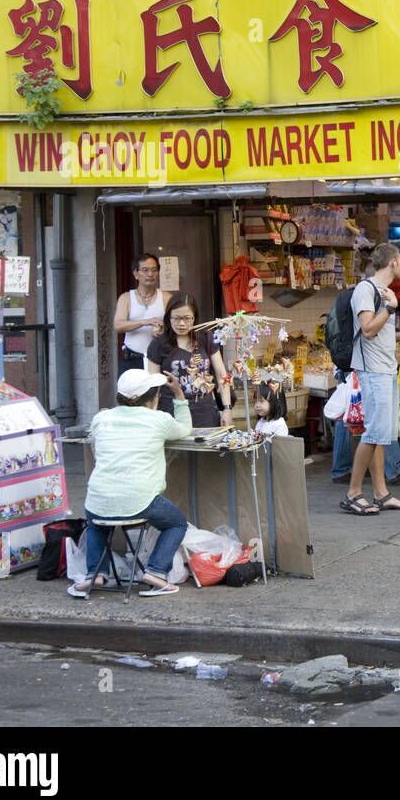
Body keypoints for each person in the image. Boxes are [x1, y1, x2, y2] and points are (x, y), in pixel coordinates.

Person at [68, 370, 190, 598]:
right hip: (140, 499)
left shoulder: (101, 419)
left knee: (96, 524)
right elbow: (185, 429)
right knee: (177, 523)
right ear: (153, 397)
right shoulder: (159, 420)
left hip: (98, 498)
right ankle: (156, 572)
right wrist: (179, 395)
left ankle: (95, 574)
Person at [344, 243, 400, 516]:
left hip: (385, 368)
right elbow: (366, 329)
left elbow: (382, 335)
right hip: (373, 371)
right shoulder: (366, 290)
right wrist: (390, 308)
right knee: (374, 432)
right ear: (392, 263)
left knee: (380, 434)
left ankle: (381, 492)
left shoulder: (384, 293)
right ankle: (354, 492)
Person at [145, 294, 232, 429]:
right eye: (176, 318)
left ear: (194, 317)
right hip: (171, 414)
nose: (181, 324)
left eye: (187, 318)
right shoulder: (158, 344)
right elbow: (152, 385)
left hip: (206, 413)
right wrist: (152, 416)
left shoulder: (206, 338)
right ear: (168, 318)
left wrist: (227, 409)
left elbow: (222, 374)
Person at [114, 254, 170, 376]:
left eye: (154, 270)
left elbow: (175, 325)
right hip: (132, 358)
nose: (150, 274)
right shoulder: (126, 298)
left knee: (161, 394)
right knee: (132, 395)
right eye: (145, 270)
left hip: (160, 358)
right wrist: (144, 322)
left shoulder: (166, 297)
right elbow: (118, 326)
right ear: (136, 273)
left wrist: (163, 328)